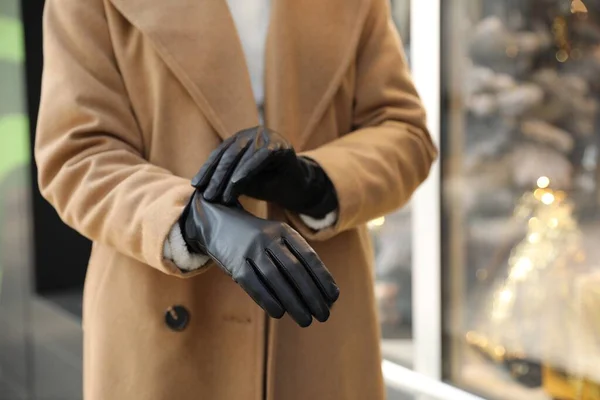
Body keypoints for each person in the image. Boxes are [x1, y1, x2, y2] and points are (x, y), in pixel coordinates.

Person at [34, 0, 437, 398]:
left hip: (316, 319)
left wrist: (312, 180)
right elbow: (77, 154)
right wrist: (192, 220)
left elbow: (405, 132)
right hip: (162, 317)